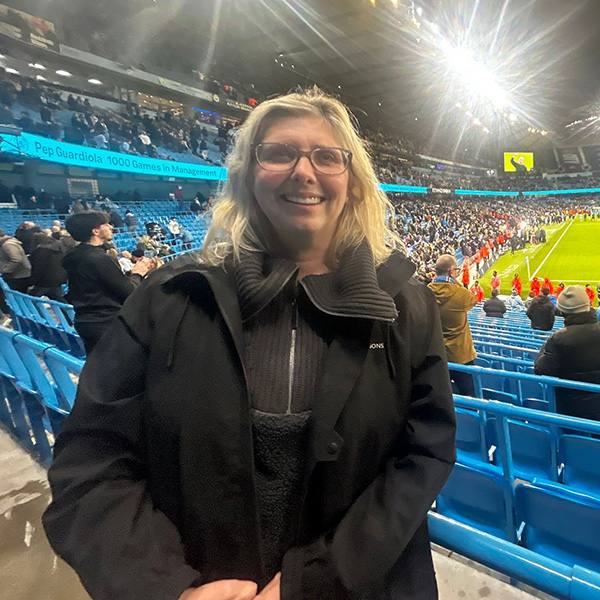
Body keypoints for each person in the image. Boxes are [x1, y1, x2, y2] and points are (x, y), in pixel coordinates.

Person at [44, 89, 456, 600]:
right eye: (279, 153)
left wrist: (317, 579)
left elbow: (424, 454)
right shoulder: (169, 296)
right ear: (246, 176)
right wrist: (166, 588)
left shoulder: (406, 305)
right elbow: (92, 461)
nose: (304, 171)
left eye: (327, 157)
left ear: (352, 183)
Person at [61, 211, 155, 353]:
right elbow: (130, 292)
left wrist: (131, 274)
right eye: (106, 224)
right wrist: (138, 273)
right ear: (95, 231)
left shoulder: (76, 255)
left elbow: (107, 282)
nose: (111, 227)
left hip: (86, 321)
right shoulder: (99, 259)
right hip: (106, 323)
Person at [535, 286, 600, 421]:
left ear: (563, 312)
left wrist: (546, 346)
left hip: (571, 410)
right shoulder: (558, 339)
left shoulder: (558, 339)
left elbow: (541, 369)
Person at [429, 253, 478, 397]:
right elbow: (473, 299)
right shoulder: (460, 293)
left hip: (437, 354)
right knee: (469, 394)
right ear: (451, 272)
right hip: (461, 356)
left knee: (443, 395)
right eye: (456, 270)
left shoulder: (425, 291)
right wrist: (453, 281)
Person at [28, 232, 67, 301]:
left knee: (31, 299)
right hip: (58, 279)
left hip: (44, 282)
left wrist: (31, 282)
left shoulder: (39, 252)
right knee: (59, 299)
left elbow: (38, 269)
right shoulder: (58, 249)